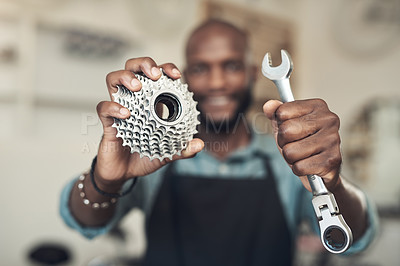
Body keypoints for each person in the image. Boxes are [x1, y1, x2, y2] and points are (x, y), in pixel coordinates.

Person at [60, 19, 377, 266]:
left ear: (253, 74)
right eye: (201, 68)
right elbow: (82, 220)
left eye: (231, 66)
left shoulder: (289, 160)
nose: (216, 82)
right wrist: (105, 179)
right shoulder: (154, 156)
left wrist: (333, 185)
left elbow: (359, 237)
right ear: (183, 78)